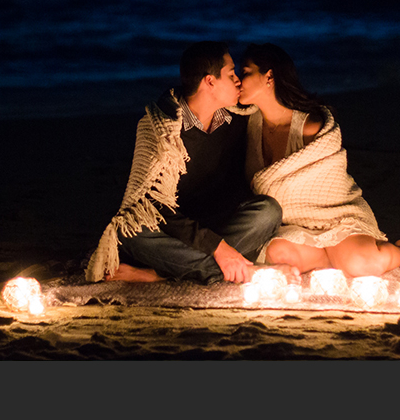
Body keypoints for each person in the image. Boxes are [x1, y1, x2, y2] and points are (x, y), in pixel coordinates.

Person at [84, 42, 284, 285]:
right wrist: (218, 248)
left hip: (217, 224)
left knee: (269, 211)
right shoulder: (159, 129)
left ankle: (159, 274)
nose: (238, 81)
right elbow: (153, 207)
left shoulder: (239, 119)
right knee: (130, 233)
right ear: (210, 81)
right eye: (231, 75)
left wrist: (217, 242)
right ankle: (227, 269)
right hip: (173, 230)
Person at [238, 43, 400, 277]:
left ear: (269, 76)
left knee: (362, 266)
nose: (238, 79)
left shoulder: (310, 127)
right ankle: (334, 257)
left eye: (245, 72)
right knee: (278, 254)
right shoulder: (250, 124)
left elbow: (329, 184)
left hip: (338, 216)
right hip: (296, 226)